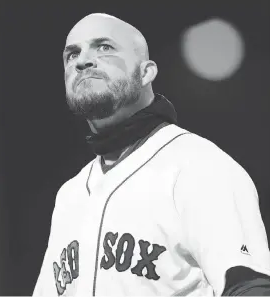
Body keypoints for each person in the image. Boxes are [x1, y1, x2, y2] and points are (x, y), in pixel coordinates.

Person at [33, 13, 270, 296]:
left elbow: (250, 287)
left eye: (104, 47)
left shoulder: (199, 165)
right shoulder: (68, 196)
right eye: (72, 54)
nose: (82, 61)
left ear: (146, 73)